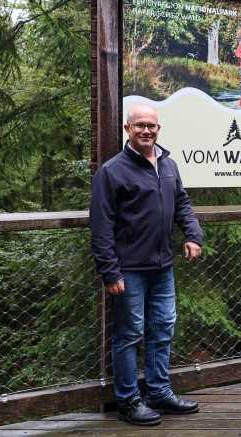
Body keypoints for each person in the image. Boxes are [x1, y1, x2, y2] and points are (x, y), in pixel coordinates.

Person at [90, 104, 204, 426]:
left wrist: (193, 235)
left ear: (158, 129)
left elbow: (181, 203)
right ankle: (127, 401)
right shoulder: (112, 171)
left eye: (151, 126)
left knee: (163, 329)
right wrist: (109, 271)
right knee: (129, 334)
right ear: (128, 130)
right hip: (128, 270)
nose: (146, 131)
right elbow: (100, 226)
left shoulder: (168, 165)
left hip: (162, 266)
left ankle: (158, 392)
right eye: (139, 126)